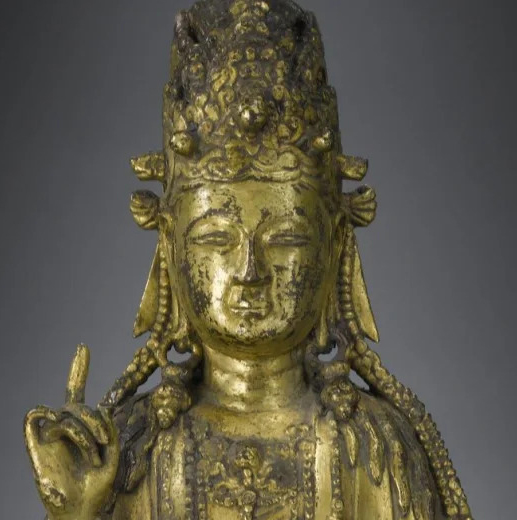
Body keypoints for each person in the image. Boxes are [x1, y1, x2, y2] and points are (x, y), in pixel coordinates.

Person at [24, 1, 472, 519]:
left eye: (286, 240)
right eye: (216, 239)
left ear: (335, 245)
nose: (250, 272)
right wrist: (76, 511)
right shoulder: (133, 453)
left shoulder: (371, 450)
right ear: (169, 244)